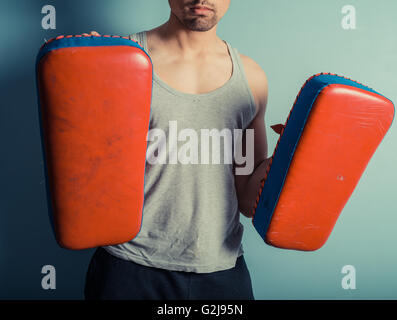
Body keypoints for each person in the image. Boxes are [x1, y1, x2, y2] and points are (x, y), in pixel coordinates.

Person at [84, 0, 271, 300]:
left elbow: (249, 201)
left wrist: (292, 157)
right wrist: (80, 74)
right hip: (130, 265)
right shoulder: (120, 58)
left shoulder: (251, 79)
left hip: (221, 270)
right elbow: (86, 166)